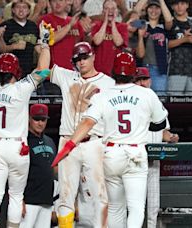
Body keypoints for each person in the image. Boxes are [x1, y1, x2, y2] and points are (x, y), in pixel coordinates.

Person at [52, 52, 168, 228]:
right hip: (135, 153)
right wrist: (142, 125)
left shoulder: (103, 95)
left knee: (114, 208)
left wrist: (69, 145)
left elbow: (87, 123)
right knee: (136, 208)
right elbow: (159, 124)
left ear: (114, 71)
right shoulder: (147, 94)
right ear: (133, 73)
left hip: (112, 153)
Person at [0, 22, 51, 228]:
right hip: (18, 147)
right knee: (16, 195)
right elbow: (44, 70)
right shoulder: (21, 88)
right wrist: (44, 43)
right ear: (15, 70)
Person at [49, 41, 114, 228]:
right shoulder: (67, 76)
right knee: (65, 194)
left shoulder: (108, 83)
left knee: (99, 194)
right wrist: (44, 43)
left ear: (93, 56)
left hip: (94, 142)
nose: (81, 62)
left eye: (85, 57)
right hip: (68, 139)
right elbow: (43, 67)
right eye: (78, 59)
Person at [134, 67, 179, 228]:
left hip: (154, 163)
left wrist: (171, 137)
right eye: (139, 80)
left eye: (145, 79)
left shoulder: (156, 103)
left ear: (150, 81)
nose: (142, 83)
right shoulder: (131, 103)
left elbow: (163, 132)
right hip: (135, 162)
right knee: (135, 206)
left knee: (153, 206)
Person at [20, 104, 57, 228]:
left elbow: (55, 171)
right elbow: (16, 172)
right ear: (29, 119)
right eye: (36, 119)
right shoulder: (23, 141)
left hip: (47, 201)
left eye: (43, 119)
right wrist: (20, 200)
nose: (40, 123)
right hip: (29, 200)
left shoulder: (50, 141)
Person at [167, 0, 192, 95]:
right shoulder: (170, 22)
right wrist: (184, 40)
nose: (179, 7)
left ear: (187, 5)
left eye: (182, 3)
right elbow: (166, 45)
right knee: (174, 102)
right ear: (172, 6)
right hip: (175, 69)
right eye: (176, 4)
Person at [91, 0, 129, 76]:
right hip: (97, 71)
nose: (110, 11)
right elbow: (97, 41)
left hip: (115, 71)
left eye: (113, 9)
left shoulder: (122, 27)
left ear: (117, 11)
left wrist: (113, 23)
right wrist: (105, 22)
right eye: (107, 9)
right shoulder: (96, 25)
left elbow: (118, 42)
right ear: (103, 11)